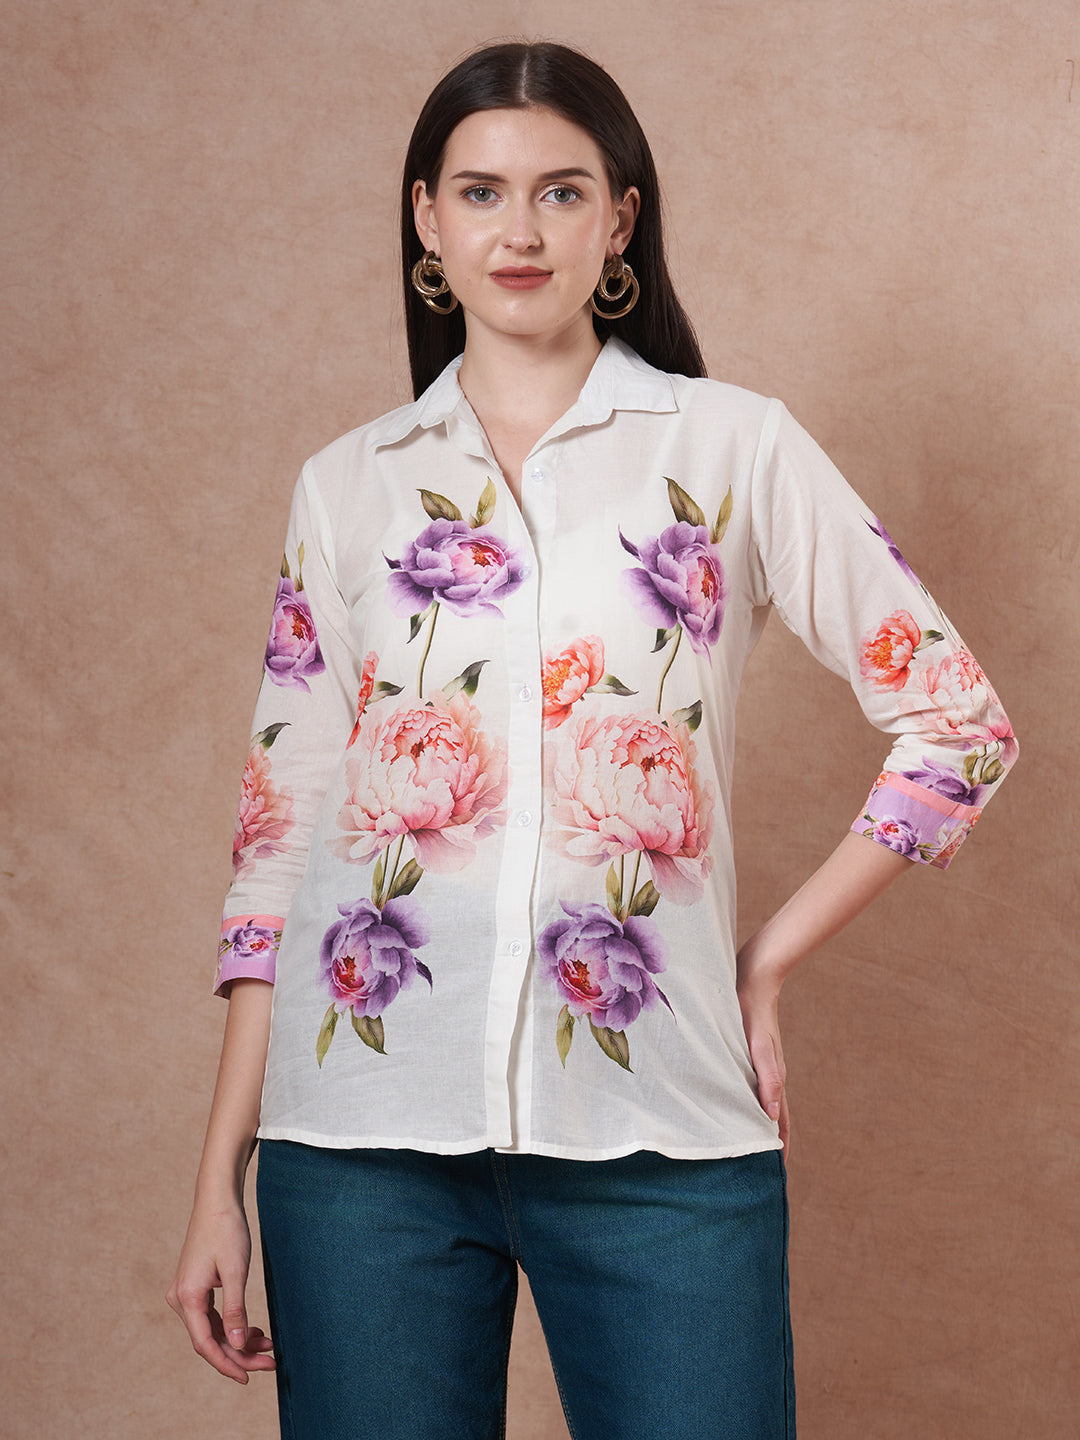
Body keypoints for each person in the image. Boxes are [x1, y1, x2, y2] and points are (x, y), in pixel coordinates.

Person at [167, 40, 1017, 1440]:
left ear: (621, 218)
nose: (520, 231)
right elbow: (279, 846)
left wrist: (763, 963)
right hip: (360, 1146)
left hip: (661, 1131)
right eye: (481, 192)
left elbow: (958, 725)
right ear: (426, 219)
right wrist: (220, 1181)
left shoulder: (733, 449)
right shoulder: (347, 487)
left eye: (561, 192)